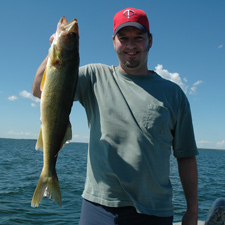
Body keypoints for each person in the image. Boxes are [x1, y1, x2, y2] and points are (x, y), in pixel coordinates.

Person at [32, 8, 198, 225]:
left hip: (155, 210)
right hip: (99, 207)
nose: (131, 45)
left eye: (138, 38)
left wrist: (192, 210)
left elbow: (185, 155)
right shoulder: (93, 77)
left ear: (150, 41)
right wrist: (54, 49)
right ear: (113, 41)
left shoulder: (174, 94)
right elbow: (39, 90)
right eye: (123, 38)